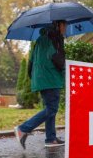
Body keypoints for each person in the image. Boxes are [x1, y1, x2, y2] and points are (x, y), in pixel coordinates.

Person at [14, 20, 67, 149]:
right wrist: (67, 71)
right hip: (51, 78)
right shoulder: (55, 38)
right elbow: (58, 61)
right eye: (64, 25)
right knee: (52, 109)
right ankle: (23, 129)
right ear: (57, 26)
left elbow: (31, 62)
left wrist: (35, 79)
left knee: (50, 109)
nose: (65, 28)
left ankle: (50, 138)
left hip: (41, 79)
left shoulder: (39, 40)